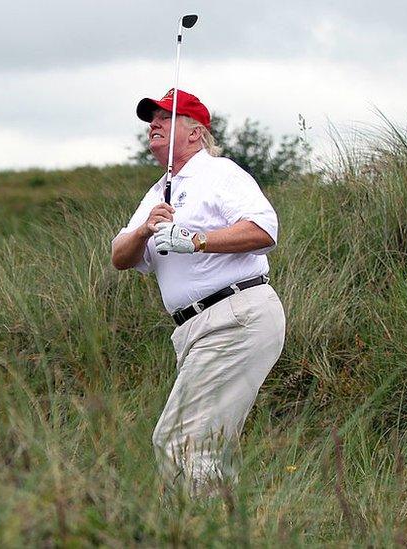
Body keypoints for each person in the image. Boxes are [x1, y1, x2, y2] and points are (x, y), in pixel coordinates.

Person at [111, 88, 286, 495]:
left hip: (235, 314)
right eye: (151, 119)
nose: (153, 124)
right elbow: (120, 255)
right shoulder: (158, 192)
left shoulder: (218, 173)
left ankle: (196, 533)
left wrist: (196, 240)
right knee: (207, 447)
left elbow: (264, 231)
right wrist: (143, 230)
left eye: (166, 117)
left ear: (195, 132)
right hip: (196, 328)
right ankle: (230, 529)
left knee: (180, 442)